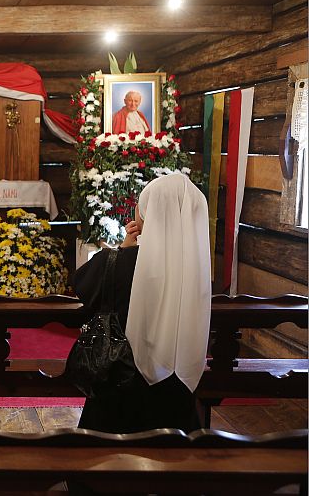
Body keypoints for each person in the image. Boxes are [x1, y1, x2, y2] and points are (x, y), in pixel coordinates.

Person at [74, 173, 210, 433]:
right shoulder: (198, 270)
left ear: (149, 213)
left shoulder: (117, 262)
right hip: (175, 398)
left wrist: (122, 251)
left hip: (119, 387)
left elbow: (83, 287)